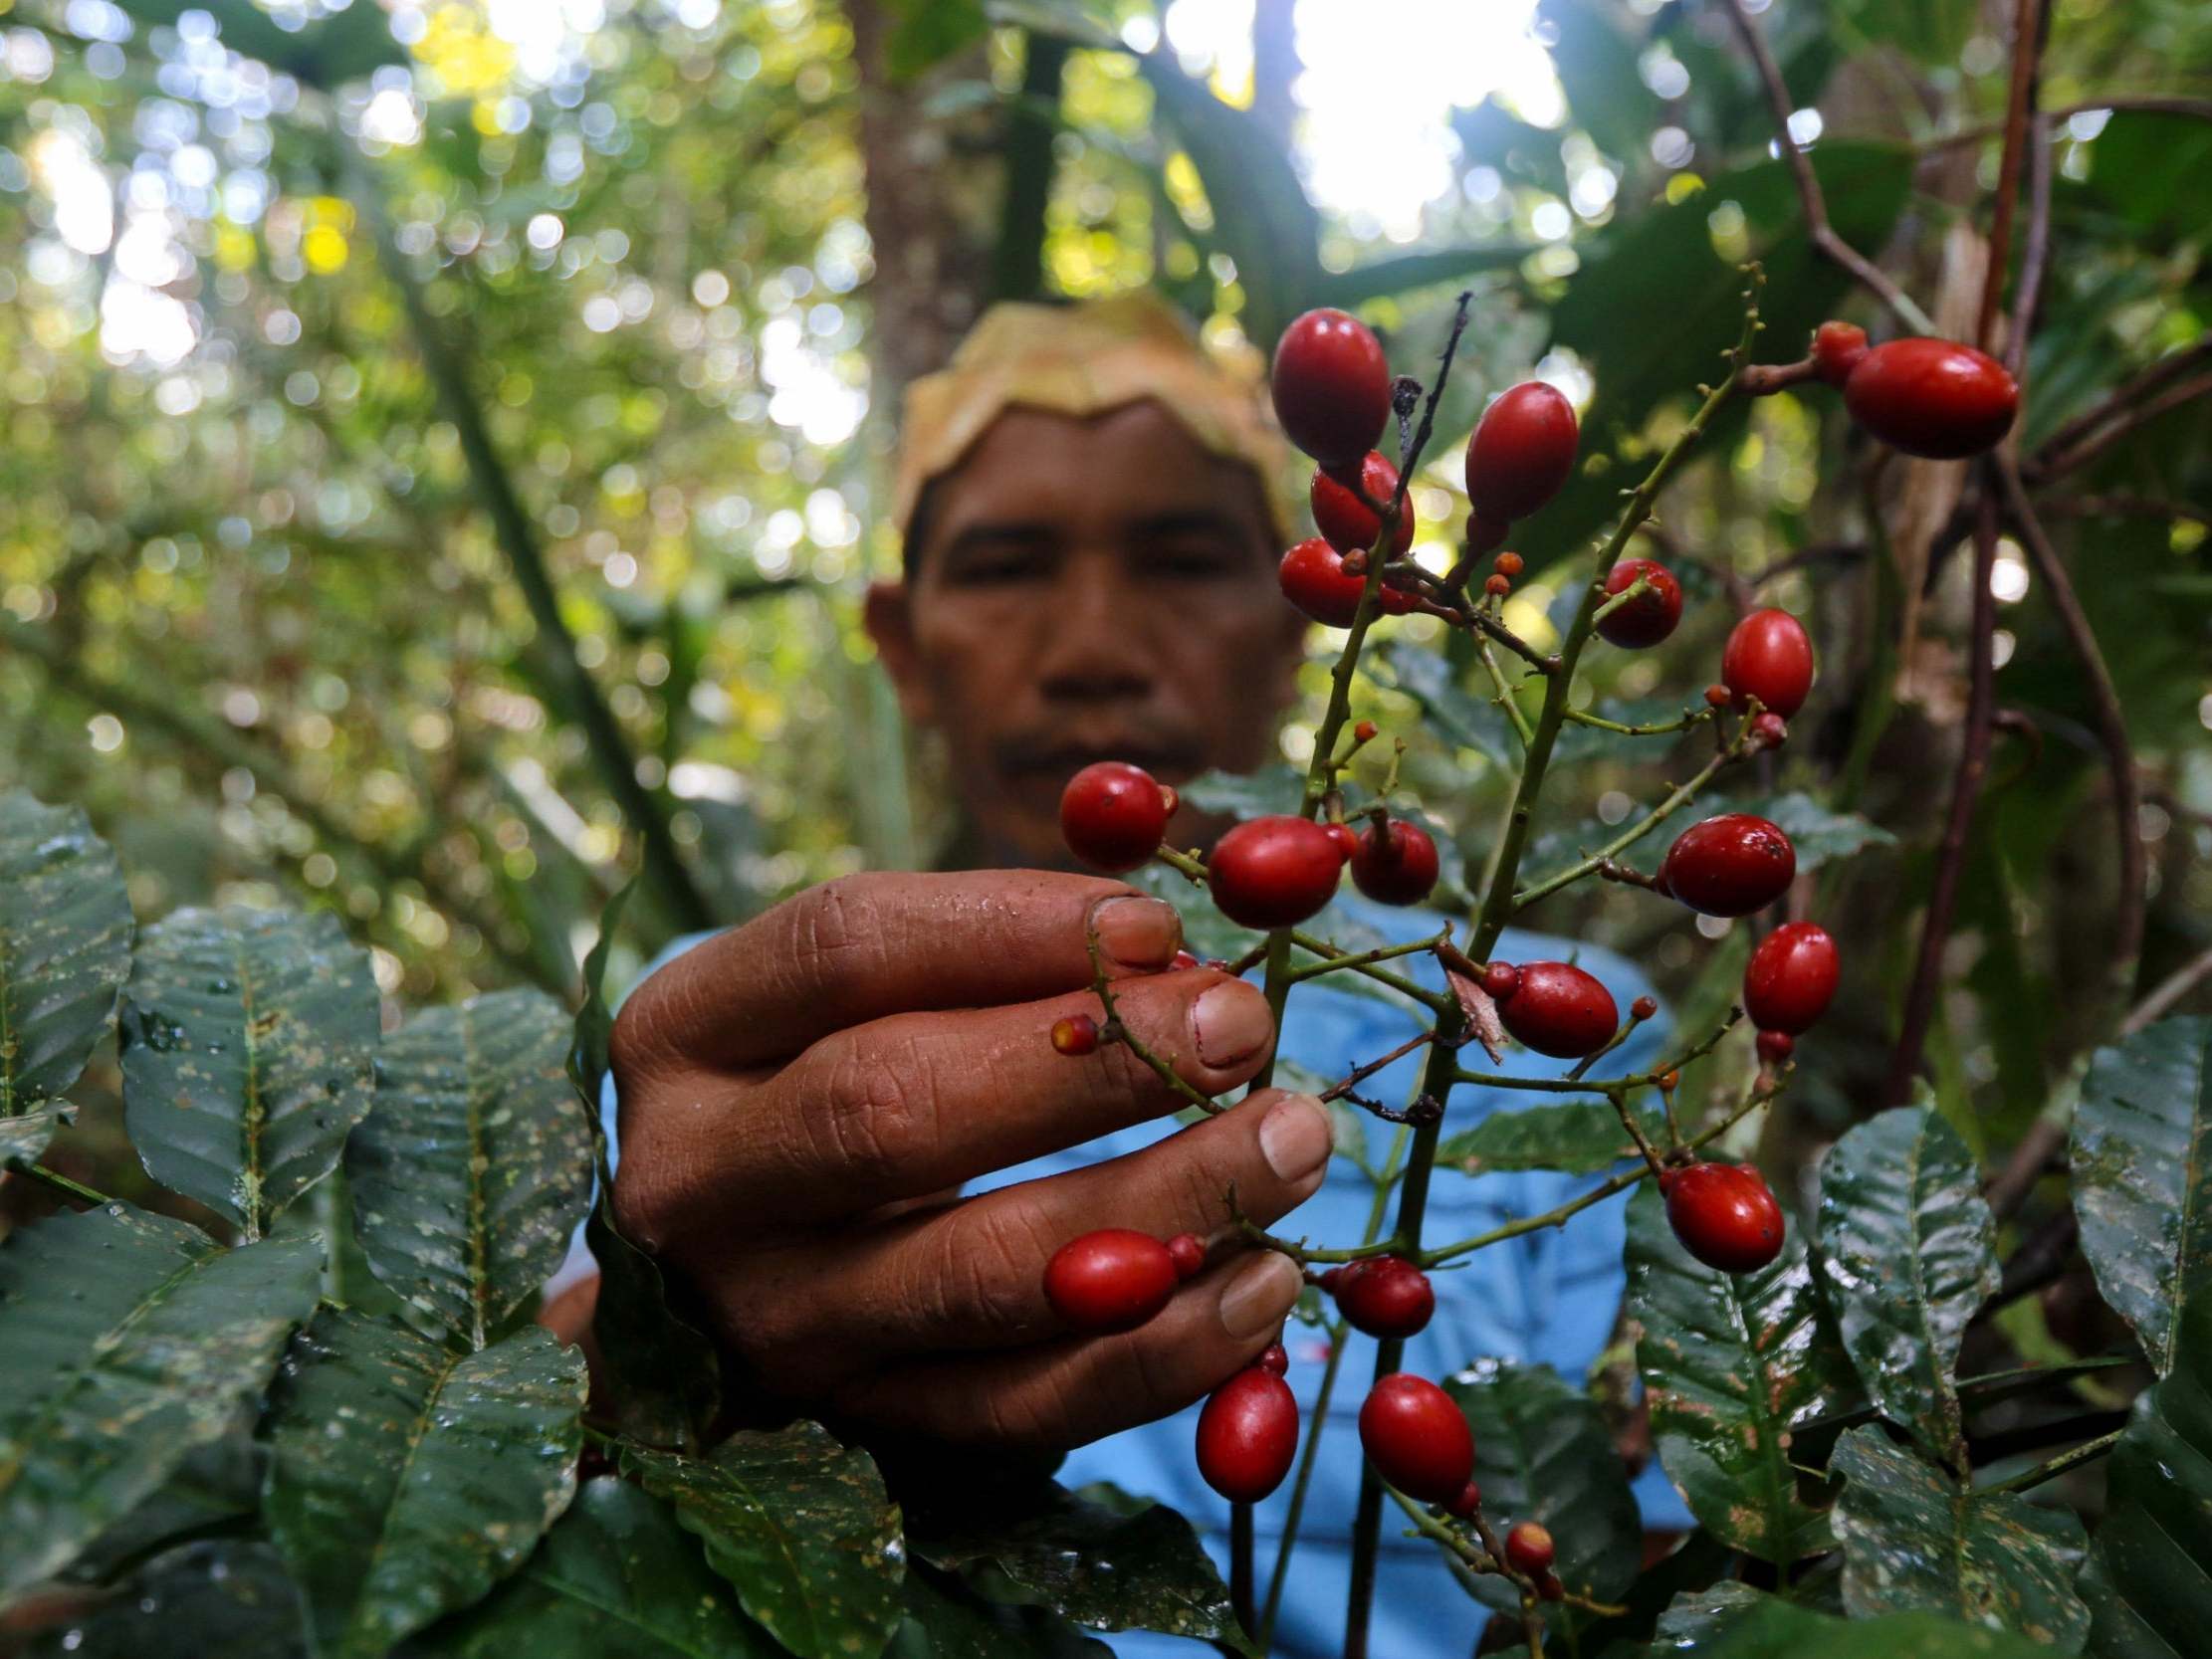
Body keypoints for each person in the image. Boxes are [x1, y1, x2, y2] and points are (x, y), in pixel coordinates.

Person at [578, 294, 1686, 1656]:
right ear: (903, 644)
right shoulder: (716, 1036)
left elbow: (1661, 1565)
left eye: (1179, 558)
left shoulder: (1543, 1034)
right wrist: (659, 1348)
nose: (1093, 642)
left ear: (1302, 612)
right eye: (1004, 566)